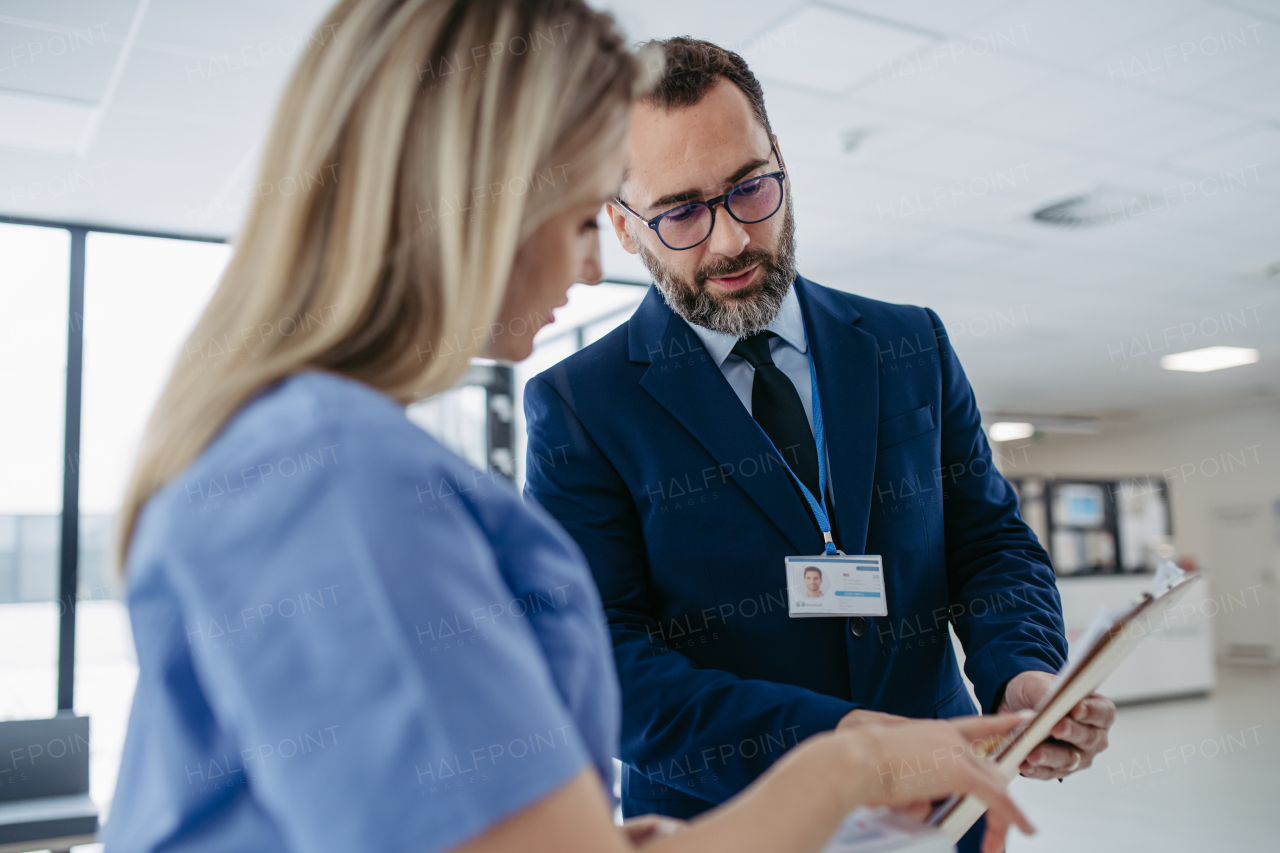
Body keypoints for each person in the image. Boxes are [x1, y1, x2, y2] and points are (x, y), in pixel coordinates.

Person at [103, 3, 1033, 853]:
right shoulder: (334, 476)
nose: (591, 269)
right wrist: (849, 765)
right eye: (591, 215)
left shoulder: (311, 448)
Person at [522, 36, 1116, 849]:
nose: (730, 240)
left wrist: (1021, 672)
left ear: (783, 164)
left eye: (750, 188)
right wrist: (847, 751)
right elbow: (604, 665)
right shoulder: (579, 404)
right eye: (684, 210)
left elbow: (988, 541)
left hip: (945, 806)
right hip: (731, 821)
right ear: (625, 228)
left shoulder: (911, 343)